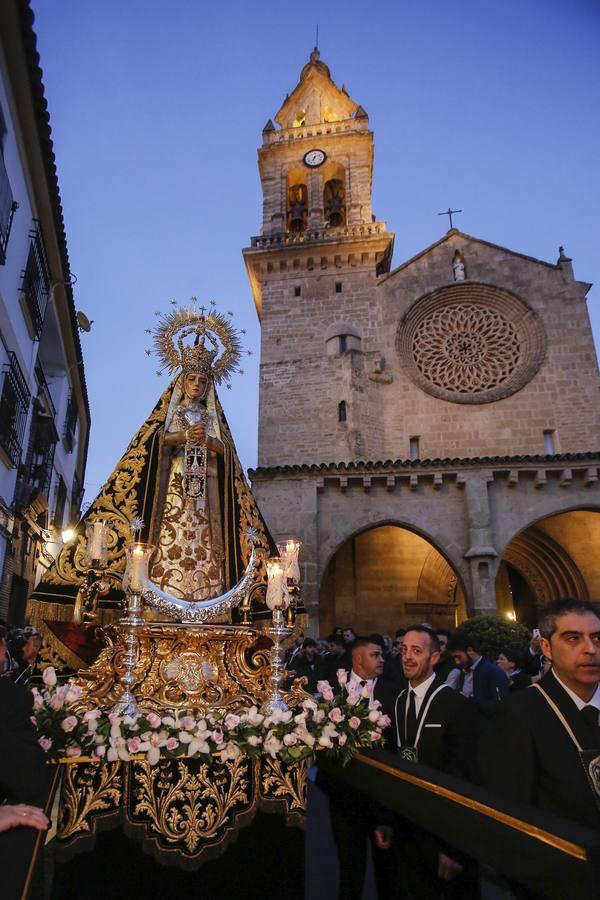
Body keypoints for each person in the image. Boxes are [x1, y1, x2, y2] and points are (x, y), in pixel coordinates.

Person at [27, 305, 276, 659]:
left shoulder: (213, 419)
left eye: (204, 381)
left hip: (209, 504)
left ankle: (212, 606)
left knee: (209, 552)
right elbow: (152, 448)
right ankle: (154, 605)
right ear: (181, 381)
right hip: (170, 497)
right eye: (192, 379)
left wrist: (210, 442)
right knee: (161, 550)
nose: (197, 385)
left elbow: (228, 458)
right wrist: (177, 438)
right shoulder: (168, 416)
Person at [479, 598, 600, 831]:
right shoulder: (520, 713)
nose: (590, 649)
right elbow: (512, 811)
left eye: (597, 637)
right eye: (573, 638)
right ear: (546, 648)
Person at [377, 626, 478, 899]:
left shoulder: (455, 704)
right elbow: (394, 764)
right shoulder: (398, 701)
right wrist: (387, 820)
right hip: (409, 827)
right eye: (404, 650)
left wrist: (454, 847)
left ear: (435, 657)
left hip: (443, 830)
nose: (407, 657)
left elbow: (465, 777)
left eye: (417, 651)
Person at [321, 638, 396, 900]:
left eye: (382, 655)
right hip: (344, 791)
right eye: (375, 655)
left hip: (381, 795)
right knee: (349, 866)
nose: (382, 660)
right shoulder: (333, 690)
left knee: (386, 869)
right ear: (358, 659)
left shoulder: (392, 691)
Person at [447, 631, 509, 722]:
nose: (457, 662)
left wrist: (471, 700)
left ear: (470, 651)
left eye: (458, 657)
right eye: (454, 658)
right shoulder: (462, 672)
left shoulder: (493, 672)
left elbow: (500, 707)